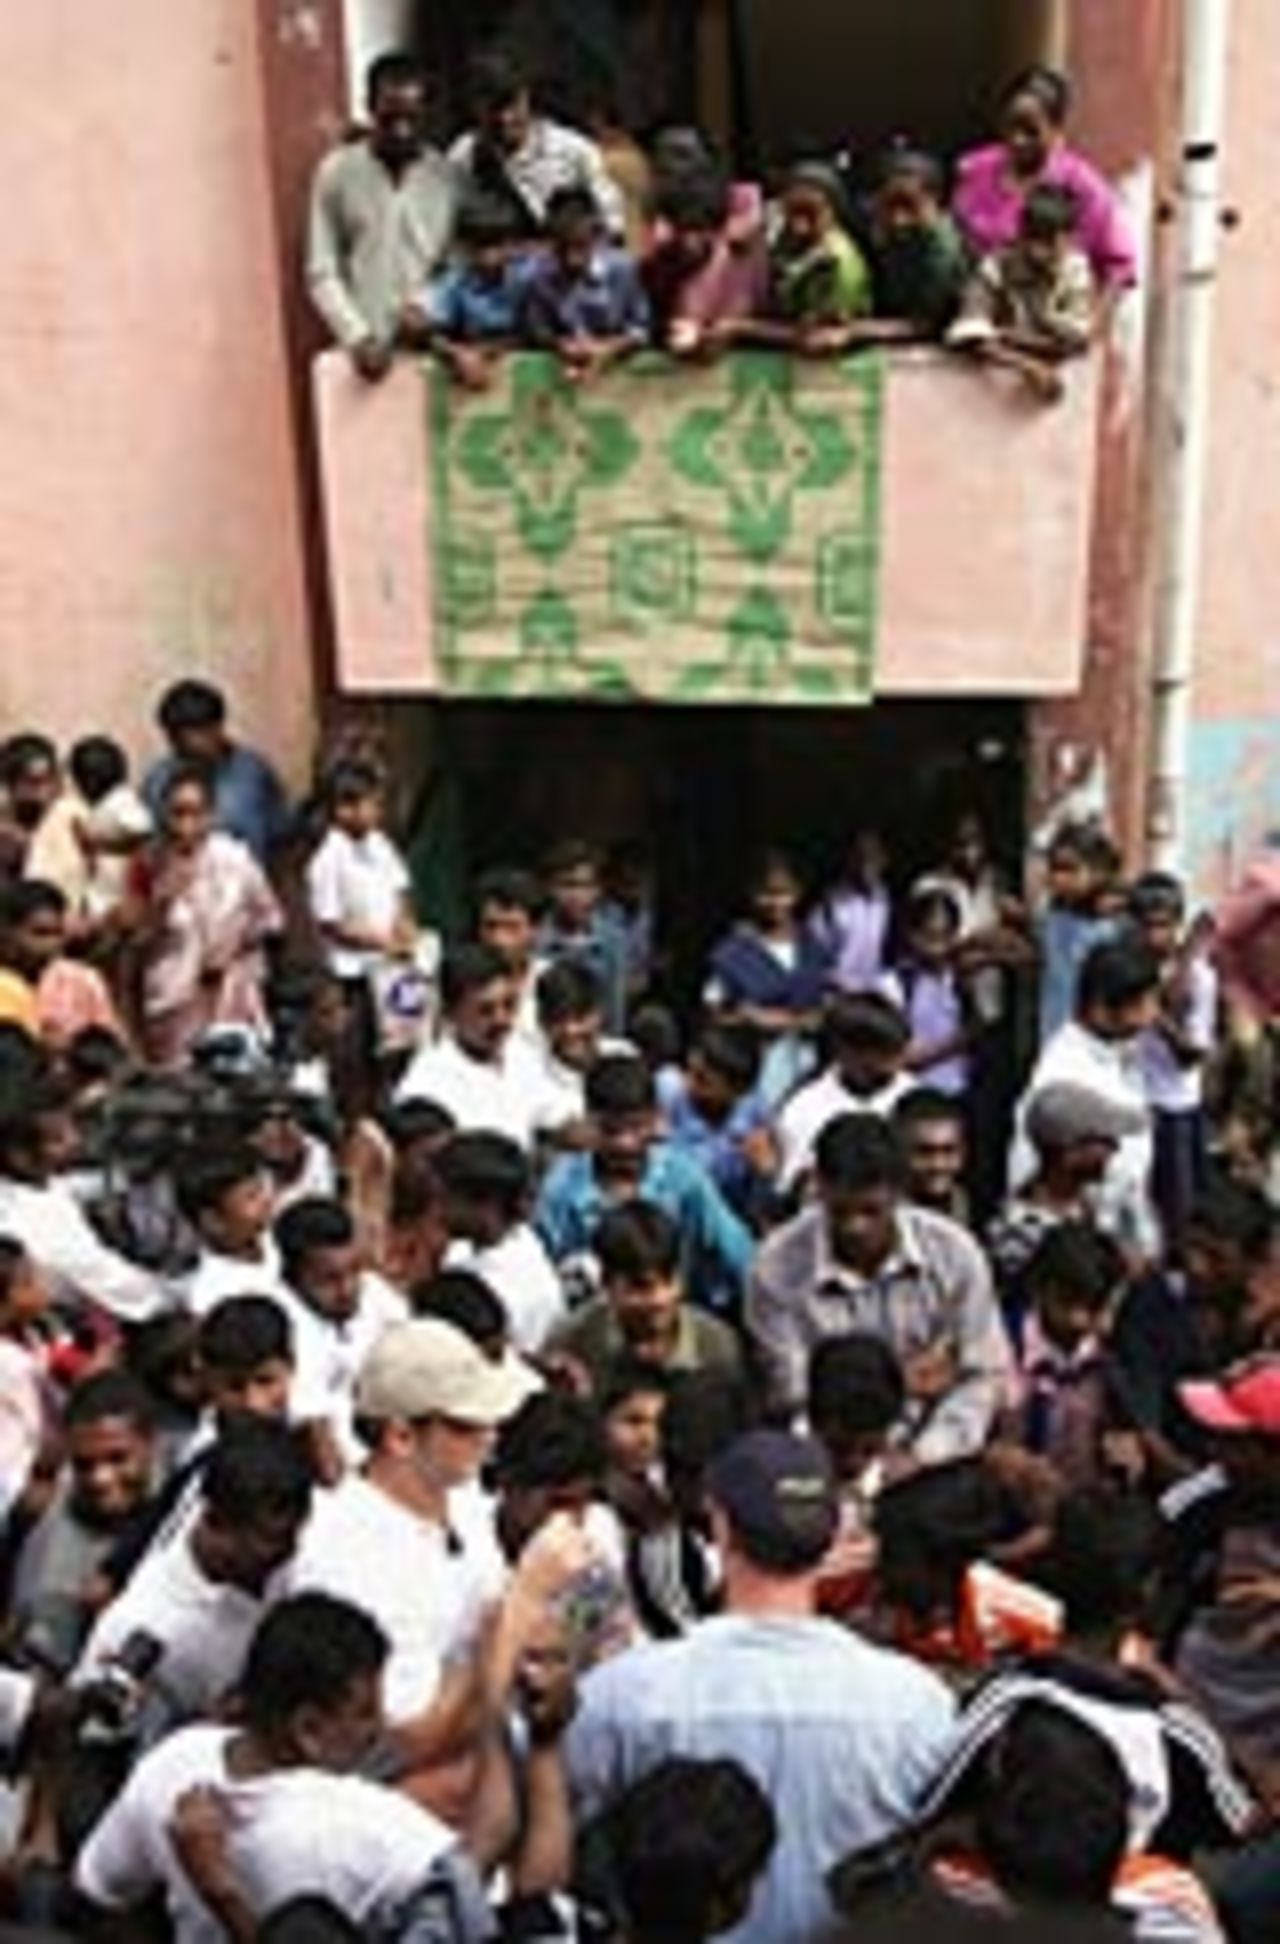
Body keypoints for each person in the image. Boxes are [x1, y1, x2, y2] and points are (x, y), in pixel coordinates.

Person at [567, 1428, 955, 1944]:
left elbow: (559, 1852)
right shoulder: (917, 1705)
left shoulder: (624, 1695)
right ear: (833, 1536)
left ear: (721, 1527)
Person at [74, 1592, 494, 1943]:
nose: (379, 1725)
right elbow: (462, 1895)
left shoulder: (174, 1761)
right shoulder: (357, 1827)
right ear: (308, 1728)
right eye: (364, 1713)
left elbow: (100, 1888)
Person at [290, 1317, 536, 1791]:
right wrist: (511, 1624)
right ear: (400, 1437)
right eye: (467, 1426)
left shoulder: (462, 1498)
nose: (489, 1437)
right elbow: (406, 1741)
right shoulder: (345, 1556)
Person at [748, 1112, 1012, 1454]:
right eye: (841, 1212)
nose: (855, 1228)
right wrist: (898, 1383)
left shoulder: (955, 1255)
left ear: (900, 1193)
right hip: (823, 1451)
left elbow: (980, 1375)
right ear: (819, 1188)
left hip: (937, 1453)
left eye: (871, 1212)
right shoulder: (776, 1267)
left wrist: (926, 1456)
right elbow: (791, 1393)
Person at [75, 1417, 314, 1733]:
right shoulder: (139, 1626)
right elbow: (86, 1747)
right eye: (271, 1539)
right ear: (216, 1523)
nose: (292, 1548)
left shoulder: (283, 1550)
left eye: (295, 1532)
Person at [535, 1055, 753, 1316]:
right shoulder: (561, 1188)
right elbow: (542, 1272)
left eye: (637, 1127)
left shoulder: (683, 1179)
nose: (625, 1144)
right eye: (610, 1131)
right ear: (589, 1121)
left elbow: (739, 1255)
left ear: (655, 1120)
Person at [1110, 1177, 1275, 1480]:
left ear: (1254, 1262)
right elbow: (1144, 1418)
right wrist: (1193, 1485)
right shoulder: (1154, 1305)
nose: (1196, 1266)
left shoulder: (1265, 1320)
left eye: (1217, 1258)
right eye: (1192, 1248)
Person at [306, 51, 457, 380]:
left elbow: (455, 265)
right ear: (369, 107)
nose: (401, 131)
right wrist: (357, 338)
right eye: (390, 119)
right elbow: (322, 270)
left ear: (427, 114)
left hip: (434, 354)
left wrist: (429, 306)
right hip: (362, 361)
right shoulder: (337, 173)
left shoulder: (447, 179)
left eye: (412, 119)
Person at [1012, 937, 1163, 1264]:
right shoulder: (1062, 1076)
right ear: (1100, 1006)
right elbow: (1034, 1178)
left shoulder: (1122, 1051)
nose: (1154, 1015)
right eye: (1144, 1003)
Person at [12, 1369, 157, 1673]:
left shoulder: (181, 1513)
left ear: (150, 1444)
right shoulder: (52, 1551)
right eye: (84, 1465)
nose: (100, 1479)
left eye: (117, 1458)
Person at [139, 765, 283, 1069]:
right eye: (177, 813)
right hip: (173, 996)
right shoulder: (149, 864)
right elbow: (137, 940)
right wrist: (161, 902)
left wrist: (232, 952)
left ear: (211, 815)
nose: (186, 825)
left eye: (196, 813)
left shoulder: (236, 861)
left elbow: (270, 919)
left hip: (231, 992)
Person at [0, 1058, 164, 1324]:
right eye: (58, 1139)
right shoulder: (45, 1233)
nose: (76, 1141)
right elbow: (133, 1293)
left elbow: (71, 1187)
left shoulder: (31, 1182)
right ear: (18, 1155)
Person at [953, 63, 1138, 292]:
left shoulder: (1084, 188)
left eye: (1031, 132)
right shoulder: (974, 171)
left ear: (1056, 129)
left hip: (1054, 317)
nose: (1017, 140)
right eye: (1010, 126)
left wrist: (1096, 326)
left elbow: (1118, 268)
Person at [987, 1080, 1145, 1327]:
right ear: (1068, 1152)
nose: (1114, 1149)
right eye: (1101, 1141)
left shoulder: (1098, 1205)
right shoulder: (1018, 1230)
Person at [549, 1200, 742, 1393]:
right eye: (641, 1288)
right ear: (606, 1284)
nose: (660, 1299)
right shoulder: (575, 1342)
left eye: (668, 1281)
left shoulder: (716, 1346)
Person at [274, 1197, 408, 1471]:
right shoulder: (280, 1322)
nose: (348, 1289)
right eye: (329, 1280)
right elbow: (316, 1437)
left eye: (354, 1271)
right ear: (292, 1278)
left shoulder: (374, 1293)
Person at [448, 45, 625, 244]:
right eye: (493, 109)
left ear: (527, 97)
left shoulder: (574, 152)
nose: (505, 119)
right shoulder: (464, 155)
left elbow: (613, 224)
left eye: (511, 105)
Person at [1000, 1222, 1127, 1487]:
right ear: (1039, 1287)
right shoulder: (997, 1346)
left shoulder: (1111, 1358)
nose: (1078, 1320)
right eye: (1068, 1301)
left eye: (1094, 1307)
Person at [1128, 872, 1218, 1247]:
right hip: (1135, 1099)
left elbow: (1192, 1055)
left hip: (1175, 1106)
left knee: (1179, 1210)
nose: (1154, 937)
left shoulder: (1197, 978)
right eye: (1146, 926)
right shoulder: (1130, 967)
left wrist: (1158, 1018)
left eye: (1163, 926)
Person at [703, 849, 827, 1112]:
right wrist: (747, 1019)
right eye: (766, 894)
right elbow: (712, 1014)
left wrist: (803, 1020)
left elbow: (827, 1002)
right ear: (751, 895)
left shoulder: (812, 946)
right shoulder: (733, 951)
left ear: (798, 893)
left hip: (809, 1063)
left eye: (783, 894)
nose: (775, 904)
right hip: (756, 1068)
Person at [949, 183, 1096, 401]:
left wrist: (1006, 337)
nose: (1038, 252)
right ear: (1020, 234)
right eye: (1032, 239)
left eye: (1049, 243)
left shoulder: (1076, 271)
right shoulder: (996, 267)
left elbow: (1075, 340)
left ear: (1068, 240)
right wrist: (1028, 366)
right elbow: (969, 333)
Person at [394, 942, 539, 1147]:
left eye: (509, 1005)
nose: (501, 1020)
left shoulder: (523, 1053)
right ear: (451, 1013)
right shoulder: (427, 1084)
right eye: (485, 1010)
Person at [437, 1131, 566, 1354]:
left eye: (447, 1196)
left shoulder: (508, 1284)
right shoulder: (475, 1248)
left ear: (486, 1205)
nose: (438, 1206)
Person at [774, 991, 912, 1195]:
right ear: (846, 1051)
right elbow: (796, 1183)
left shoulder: (914, 1095)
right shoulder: (803, 1109)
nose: (899, 1059)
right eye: (885, 1051)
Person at [144, 681, 290, 867]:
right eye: (174, 740)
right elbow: (151, 847)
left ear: (216, 728)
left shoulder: (252, 775)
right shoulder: (159, 780)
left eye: (191, 738)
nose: (182, 749)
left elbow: (282, 840)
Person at [518, 185, 651, 383]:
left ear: (596, 239)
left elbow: (642, 328)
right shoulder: (538, 277)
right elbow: (537, 330)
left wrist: (609, 348)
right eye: (563, 250)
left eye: (580, 248)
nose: (573, 260)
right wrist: (562, 345)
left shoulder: (622, 269)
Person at [656, 1022, 776, 1226]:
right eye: (690, 1072)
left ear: (737, 1090)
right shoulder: (666, 1094)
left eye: (704, 1081)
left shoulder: (753, 1110)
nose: (689, 1085)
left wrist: (764, 1176)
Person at [641, 167, 768, 357]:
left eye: (700, 230)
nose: (690, 240)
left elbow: (756, 315)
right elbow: (649, 326)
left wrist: (733, 329)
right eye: (684, 229)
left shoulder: (741, 261)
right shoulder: (657, 265)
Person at [414, 190, 527, 390]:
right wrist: (457, 354)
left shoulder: (525, 275)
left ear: (512, 244)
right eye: (481, 246)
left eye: (497, 245)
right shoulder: (457, 281)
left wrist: (487, 351)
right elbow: (425, 328)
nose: (489, 256)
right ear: (466, 247)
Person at [0, 879, 122, 1051]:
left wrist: (74, 1048)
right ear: (8, 933)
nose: (51, 944)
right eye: (39, 933)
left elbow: (109, 1048)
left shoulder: (82, 981)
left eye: (57, 933)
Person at [763, 160, 871, 352]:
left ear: (833, 212)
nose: (799, 227)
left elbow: (816, 333)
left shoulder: (836, 260)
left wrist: (740, 328)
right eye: (793, 212)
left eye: (810, 214)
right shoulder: (783, 244)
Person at [864, 145, 970, 339]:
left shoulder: (943, 246)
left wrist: (855, 330)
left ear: (934, 201)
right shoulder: (878, 230)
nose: (899, 220)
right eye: (891, 205)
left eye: (909, 206)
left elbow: (925, 324)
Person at [881, 885, 976, 1100]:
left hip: (960, 1091)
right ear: (911, 934)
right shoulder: (895, 985)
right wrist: (954, 1044)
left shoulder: (961, 980)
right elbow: (893, 1057)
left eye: (945, 936)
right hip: (911, 1094)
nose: (938, 947)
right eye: (929, 936)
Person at [1034, 820, 1122, 1047]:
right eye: (1054, 869)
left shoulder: (1110, 930)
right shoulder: (1054, 919)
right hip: (1054, 1040)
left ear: (1098, 871)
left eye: (1070, 869)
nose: (1059, 879)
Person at [537, 842, 630, 1040]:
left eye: (586, 886)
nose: (577, 896)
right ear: (550, 888)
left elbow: (615, 1007)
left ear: (598, 890)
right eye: (567, 885)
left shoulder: (612, 940)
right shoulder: (537, 941)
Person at [176, 1143, 280, 1316]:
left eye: (262, 1189)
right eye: (251, 1197)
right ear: (213, 1221)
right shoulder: (213, 1296)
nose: (266, 1201)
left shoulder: (275, 1236)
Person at [66, 734, 152, 927]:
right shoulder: (101, 806)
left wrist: (100, 844)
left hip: (120, 896)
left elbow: (143, 834)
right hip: (102, 894)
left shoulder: (121, 801)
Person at [808, 827, 892, 997]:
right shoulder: (832, 906)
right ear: (849, 859)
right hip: (836, 993)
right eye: (860, 857)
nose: (866, 865)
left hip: (875, 993)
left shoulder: (886, 902)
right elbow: (812, 958)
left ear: (884, 860)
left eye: (873, 857)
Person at [892, 1087, 970, 1224]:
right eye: (924, 1152)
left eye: (948, 1151)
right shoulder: (881, 1219)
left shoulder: (982, 1214)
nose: (937, 1165)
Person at [0, 733, 62, 885]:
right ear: (9, 784)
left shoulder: (68, 823)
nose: (44, 793)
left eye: (51, 780)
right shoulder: (6, 836)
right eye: (33, 783)